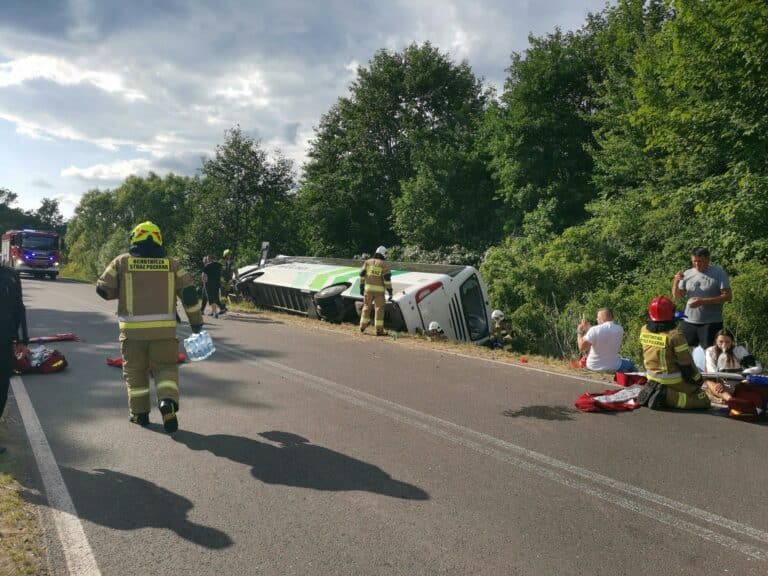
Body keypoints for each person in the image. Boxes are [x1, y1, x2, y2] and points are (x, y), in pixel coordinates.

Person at [96, 221, 203, 433]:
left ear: (134, 238)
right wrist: (196, 323)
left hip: (132, 334)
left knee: (135, 372)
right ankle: (167, 402)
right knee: (166, 368)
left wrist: (124, 290)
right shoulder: (172, 264)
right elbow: (189, 294)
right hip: (164, 332)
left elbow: (103, 290)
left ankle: (140, 414)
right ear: (159, 239)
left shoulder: (121, 262)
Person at [637, 296, 710, 410]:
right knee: (703, 399)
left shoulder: (644, 329)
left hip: (651, 376)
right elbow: (686, 364)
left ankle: (656, 390)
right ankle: (667, 396)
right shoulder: (675, 336)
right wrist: (698, 379)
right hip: (671, 379)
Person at [672, 247, 732, 350]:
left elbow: (728, 296)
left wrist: (703, 301)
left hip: (711, 322)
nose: (697, 264)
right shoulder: (687, 273)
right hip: (688, 321)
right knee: (684, 351)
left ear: (708, 260)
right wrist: (676, 281)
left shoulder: (718, 273)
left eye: (700, 261)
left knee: (710, 354)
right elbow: (677, 295)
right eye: (694, 261)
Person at [0, 263, 29, 454]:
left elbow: (19, 307)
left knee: (1, 389)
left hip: (4, 342)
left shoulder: (10, 275)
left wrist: (22, 339)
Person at [703, 328, 762, 403]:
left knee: (749, 382)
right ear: (716, 341)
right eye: (721, 342)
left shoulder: (739, 351)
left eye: (727, 342)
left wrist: (744, 374)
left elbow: (757, 367)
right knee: (709, 382)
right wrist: (719, 382)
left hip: (738, 384)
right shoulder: (711, 351)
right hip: (720, 384)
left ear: (732, 342)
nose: (724, 345)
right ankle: (731, 400)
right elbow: (711, 369)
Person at [576, 308, 635, 373]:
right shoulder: (620, 329)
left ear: (603, 318)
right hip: (614, 367)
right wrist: (589, 327)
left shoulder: (594, 330)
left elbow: (581, 347)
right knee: (629, 363)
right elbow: (603, 333)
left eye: (597, 317)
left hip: (593, 366)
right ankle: (640, 380)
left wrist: (579, 332)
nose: (597, 319)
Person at [359, 245, 392, 336]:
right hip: (379, 292)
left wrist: (361, 286)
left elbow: (361, 274)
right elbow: (387, 280)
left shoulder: (367, 262)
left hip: (368, 290)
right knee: (379, 309)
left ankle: (362, 326)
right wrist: (390, 291)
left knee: (366, 307)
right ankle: (379, 330)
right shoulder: (383, 264)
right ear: (383, 254)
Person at [202, 254, 223, 318]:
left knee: (211, 298)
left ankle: (215, 313)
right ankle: (216, 311)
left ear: (210, 259)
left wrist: (204, 282)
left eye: (208, 259)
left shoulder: (208, 266)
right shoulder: (220, 265)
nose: (207, 260)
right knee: (216, 297)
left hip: (209, 284)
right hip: (217, 284)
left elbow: (204, 275)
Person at [220, 249, 236, 313]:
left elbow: (235, 270)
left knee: (226, 293)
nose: (229, 255)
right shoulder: (221, 261)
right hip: (222, 280)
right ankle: (222, 306)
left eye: (230, 254)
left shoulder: (233, 262)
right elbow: (217, 270)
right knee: (223, 293)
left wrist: (237, 276)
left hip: (229, 280)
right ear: (225, 255)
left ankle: (223, 305)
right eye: (228, 254)